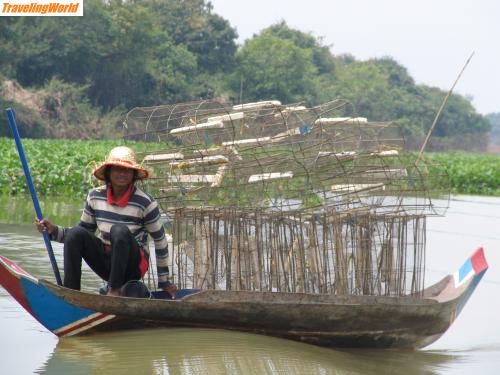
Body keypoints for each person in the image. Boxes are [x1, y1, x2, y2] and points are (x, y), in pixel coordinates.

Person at [36, 146, 177, 298]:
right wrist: (53, 231)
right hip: (107, 262)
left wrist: (164, 281)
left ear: (133, 174)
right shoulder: (95, 196)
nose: (122, 173)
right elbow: (82, 232)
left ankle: (114, 291)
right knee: (76, 233)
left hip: (132, 265)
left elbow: (160, 240)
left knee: (119, 230)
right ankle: (71, 293)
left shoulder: (145, 202)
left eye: (127, 170)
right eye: (117, 169)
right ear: (109, 172)